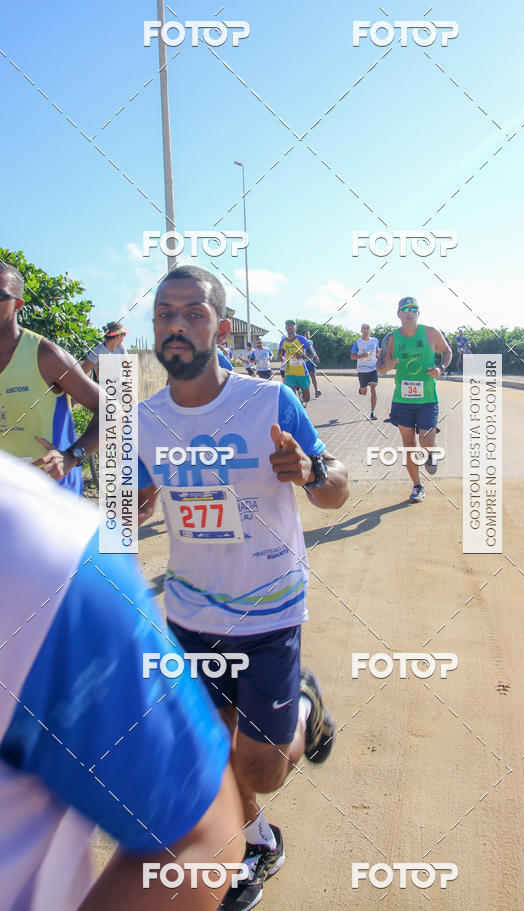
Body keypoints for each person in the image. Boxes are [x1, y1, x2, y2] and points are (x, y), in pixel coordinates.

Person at [136, 266, 349, 911]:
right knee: (209, 753)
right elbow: (126, 515)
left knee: (258, 765)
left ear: (220, 327)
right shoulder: (141, 420)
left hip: (268, 613)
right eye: (165, 314)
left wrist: (310, 470)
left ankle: (304, 711)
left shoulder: (267, 400)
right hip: (191, 613)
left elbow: (336, 489)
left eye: (193, 313)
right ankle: (255, 843)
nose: (176, 325)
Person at [0, 451, 245, 911]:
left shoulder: (37, 553)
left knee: (253, 761)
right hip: (178, 608)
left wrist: (72, 459)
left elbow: (199, 834)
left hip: (264, 610)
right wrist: (126, 506)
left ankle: (294, 719)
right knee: (220, 731)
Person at [0, 261, 99, 495]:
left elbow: (113, 409)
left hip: (51, 503)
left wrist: (72, 456)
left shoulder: (45, 356)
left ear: (18, 305)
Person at [377, 296, 452, 502]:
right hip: (402, 400)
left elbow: (447, 352)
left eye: (413, 309)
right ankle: (417, 486)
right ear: (399, 314)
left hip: (427, 399)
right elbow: (380, 367)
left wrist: (440, 368)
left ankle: (430, 454)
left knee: (426, 440)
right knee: (408, 444)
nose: (409, 312)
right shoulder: (391, 339)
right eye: (405, 309)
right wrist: (390, 364)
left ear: (418, 313)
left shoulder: (430, 333)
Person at [277, 320, 311, 407]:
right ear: (285, 328)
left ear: (295, 328)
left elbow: (311, 353)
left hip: (302, 372)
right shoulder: (283, 342)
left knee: (307, 397)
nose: (289, 327)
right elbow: (280, 358)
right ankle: (297, 412)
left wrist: (302, 356)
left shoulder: (302, 339)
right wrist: (281, 358)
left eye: (291, 325)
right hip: (289, 373)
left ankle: (302, 401)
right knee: (291, 397)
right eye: (287, 325)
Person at [351, 324, 380, 420]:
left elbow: (377, 352)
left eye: (367, 328)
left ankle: (372, 412)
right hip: (362, 370)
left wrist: (380, 354)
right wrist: (362, 356)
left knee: (373, 387)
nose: (366, 330)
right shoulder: (358, 342)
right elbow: (352, 356)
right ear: (361, 331)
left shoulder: (375, 340)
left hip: (373, 369)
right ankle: (361, 389)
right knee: (364, 392)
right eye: (364, 329)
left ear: (370, 330)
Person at [304, 330, 322, 397]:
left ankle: (316, 391)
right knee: (305, 378)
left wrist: (316, 357)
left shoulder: (310, 341)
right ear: (303, 335)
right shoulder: (301, 342)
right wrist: (307, 355)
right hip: (304, 362)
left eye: (308, 334)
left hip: (310, 362)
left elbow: (312, 350)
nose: (307, 335)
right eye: (306, 334)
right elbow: (304, 352)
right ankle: (303, 392)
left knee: (313, 375)